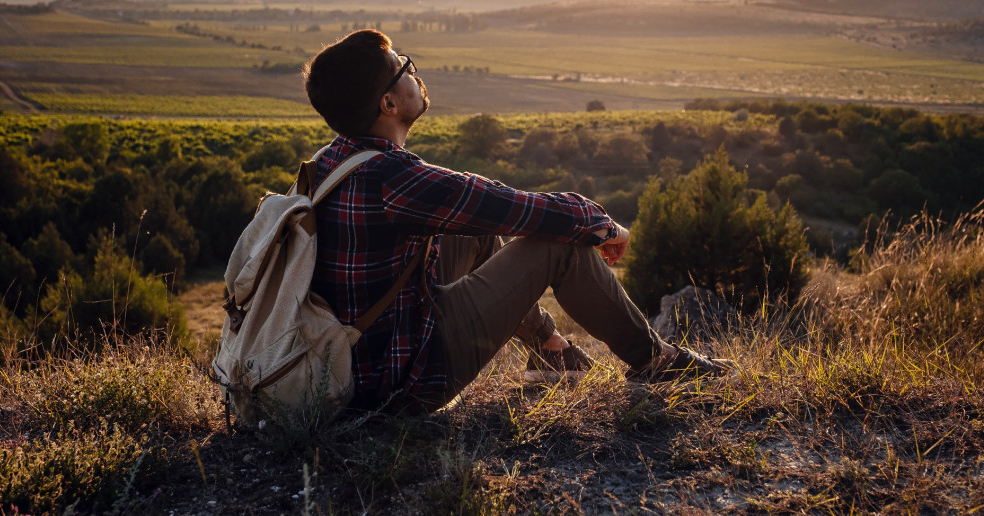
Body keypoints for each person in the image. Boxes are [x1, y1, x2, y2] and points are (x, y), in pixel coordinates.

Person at [302, 29, 729, 413]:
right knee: (556, 244)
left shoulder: (329, 162)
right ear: (389, 103)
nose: (415, 75)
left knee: (472, 229)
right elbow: (513, 206)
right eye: (404, 68)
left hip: (353, 358)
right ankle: (658, 361)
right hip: (400, 380)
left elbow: (481, 212)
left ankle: (550, 348)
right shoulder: (393, 178)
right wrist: (600, 224)